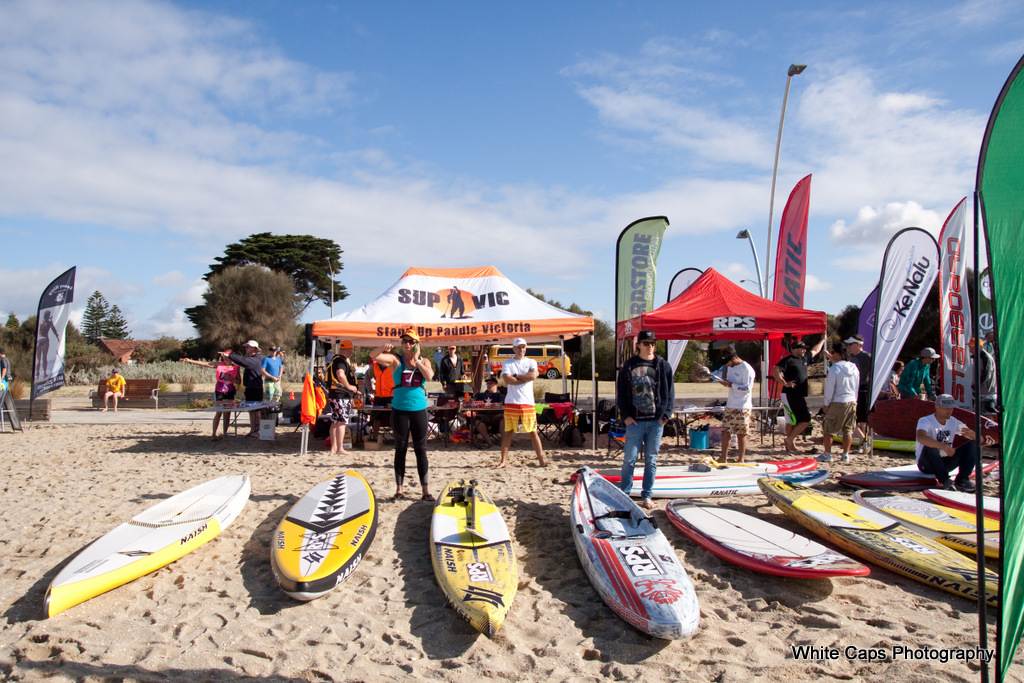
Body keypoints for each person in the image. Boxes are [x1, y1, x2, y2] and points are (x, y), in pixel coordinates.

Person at [370, 331, 434, 500]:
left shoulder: (424, 361)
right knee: (400, 449)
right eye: (405, 341)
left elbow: (429, 376)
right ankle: (399, 489)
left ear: (417, 344)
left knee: (421, 450)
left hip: (419, 410)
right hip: (400, 410)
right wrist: (382, 347)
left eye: (411, 341)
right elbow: (373, 356)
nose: (407, 344)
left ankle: (425, 491)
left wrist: (417, 360)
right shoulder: (395, 360)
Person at [615, 330, 673, 508]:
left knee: (651, 460)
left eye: (653, 343)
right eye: (646, 343)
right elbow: (621, 393)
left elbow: (670, 393)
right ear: (638, 345)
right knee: (629, 459)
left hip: (656, 422)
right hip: (635, 421)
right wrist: (625, 416)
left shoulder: (663, 365)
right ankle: (625, 495)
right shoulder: (628, 366)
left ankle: (647, 495)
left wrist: (665, 416)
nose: (650, 347)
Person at [915, 394, 980, 493]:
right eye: (945, 408)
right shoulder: (925, 421)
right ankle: (945, 480)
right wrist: (943, 446)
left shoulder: (953, 421)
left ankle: (962, 480)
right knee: (930, 447)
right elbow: (921, 437)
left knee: (972, 444)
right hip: (926, 464)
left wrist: (975, 436)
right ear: (937, 407)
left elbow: (971, 434)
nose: (949, 411)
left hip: (946, 462)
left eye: (951, 408)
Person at [498, 337, 546, 468]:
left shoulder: (531, 361)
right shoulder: (508, 362)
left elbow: (533, 376)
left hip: (527, 402)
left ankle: (541, 460)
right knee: (508, 432)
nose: (521, 349)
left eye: (523, 347)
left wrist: (517, 376)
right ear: (514, 348)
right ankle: (503, 461)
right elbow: (508, 380)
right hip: (512, 402)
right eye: (518, 347)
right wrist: (524, 378)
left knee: (533, 432)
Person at [773, 337, 826, 452]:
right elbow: (776, 370)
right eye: (801, 348)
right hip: (790, 394)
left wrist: (822, 340)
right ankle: (790, 440)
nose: (804, 350)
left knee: (795, 420)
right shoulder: (788, 360)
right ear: (794, 349)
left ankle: (790, 443)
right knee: (802, 419)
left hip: (799, 394)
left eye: (804, 348)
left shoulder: (804, 358)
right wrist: (784, 383)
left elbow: (815, 350)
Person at [222, 340, 275, 436]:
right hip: (250, 387)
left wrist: (230, 354)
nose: (246, 348)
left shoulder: (257, 359)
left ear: (254, 349)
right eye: (246, 347)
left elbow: (243, 361)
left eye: (248, 347)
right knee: (251, 410)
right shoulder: (253, 358)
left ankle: (257, 431)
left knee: (257, 410)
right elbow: (243, 361)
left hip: (255, 388)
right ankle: (253, 430)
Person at [182, 356, 241, 439]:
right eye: (224, 357)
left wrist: (231, 379)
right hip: (219, 391)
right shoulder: (219, 364)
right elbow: (205, 364)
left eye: (228, 357)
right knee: (219, 412)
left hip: (230, 391)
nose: (226, 359)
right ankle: (214, 434)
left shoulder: (236, 367)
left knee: (227, 413)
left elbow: (238, 381)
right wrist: (190, 361)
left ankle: (225, 434)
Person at [715, 345, 755, 463]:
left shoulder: (747, 369)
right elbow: (730, 383)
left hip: (743, 406)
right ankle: (723, 457)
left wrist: (731, 385)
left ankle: (741, 459)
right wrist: (723, 382)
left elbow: (747, 388)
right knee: (725, 431)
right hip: (731, 404)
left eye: (727, 362)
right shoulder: (731, 367)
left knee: (741, 434)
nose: (727, 365)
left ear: (733, 358)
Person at [822, 348, 860, 463]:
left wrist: (826, 404)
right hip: (852, 400)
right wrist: (855, 400)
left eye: (833, 353)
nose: (831, 355)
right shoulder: (854, 367)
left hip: (838, 401)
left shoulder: (835, 368)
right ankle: (845, 455)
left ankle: (827, 454)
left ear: (839, 354)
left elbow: (829, 388)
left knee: (828, 429)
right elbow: (856, 385)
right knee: (848, 430)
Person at [326, 341, 359, 455]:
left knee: (335, 421)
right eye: (350, 350)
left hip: (334, 395)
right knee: (342, 422)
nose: (351, 352)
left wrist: (353, 389)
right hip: (341, 396)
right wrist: (349, 386)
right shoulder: (341, 361)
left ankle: (334, 447)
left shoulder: (335, 360)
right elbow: (340, 374)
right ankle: (340, 448)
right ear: (346, 350)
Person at [844, 335, 872, 452]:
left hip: (863, 390)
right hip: (852, 390)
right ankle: (863, 442)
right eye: (848, 345)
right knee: (853, 418)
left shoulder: (867, 357)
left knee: (862, 419)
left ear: (858, 345)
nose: (848, 347)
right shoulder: (850, 357)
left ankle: (865, 443)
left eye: (851, 344)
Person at [471, 376, 504, 445]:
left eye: (491, 383)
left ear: (496, 384)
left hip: (497, 416)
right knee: (478, 421)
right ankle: (489, 442)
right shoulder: (480, 395)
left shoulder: (501, 395)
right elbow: (473, 404)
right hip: (484, 416)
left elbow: (505, 406)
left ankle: (504, 441)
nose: (489, 385)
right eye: (488, 383)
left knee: (504, 420)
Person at [969, 337, 998, 414]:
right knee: (981, 416)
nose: (970, 349)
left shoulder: (984, 357)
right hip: (983, 392)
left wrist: (977, 385)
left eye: (971, 346)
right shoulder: (980, 356)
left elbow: (986, 373)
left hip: (985, 393)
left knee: (985, 416)